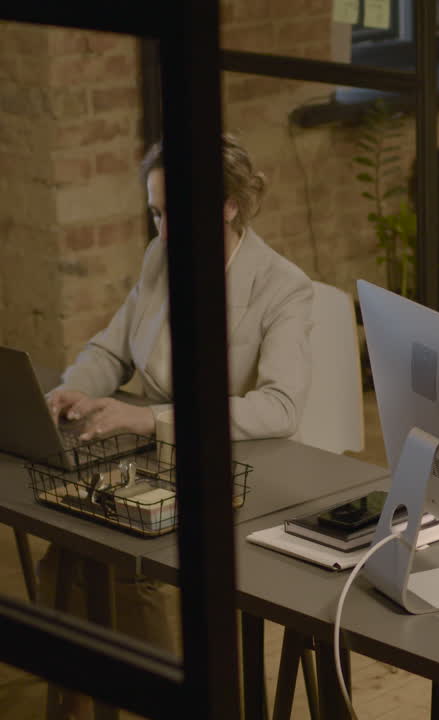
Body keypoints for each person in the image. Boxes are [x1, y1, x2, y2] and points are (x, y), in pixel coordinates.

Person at [39, 134, 313, 719]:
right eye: (156, 212)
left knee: (119, 564)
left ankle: (187, 704)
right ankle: (93, 692)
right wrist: (76, 386)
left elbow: (280, 408)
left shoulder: (281, 286)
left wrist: (149, 418)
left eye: (176, 213)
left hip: (240, 467)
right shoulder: (161, 257)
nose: (163, 230)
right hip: (153, 455)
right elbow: (112, 348)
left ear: (228, 206)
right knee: (66, 551)